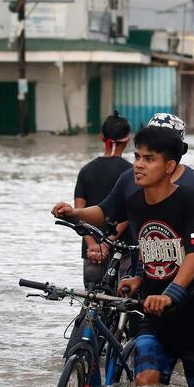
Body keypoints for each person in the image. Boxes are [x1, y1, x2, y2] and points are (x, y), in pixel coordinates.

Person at [53, 127, 194, 387]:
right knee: (146, 384)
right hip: (153, 316)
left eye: (149, 159)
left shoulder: (191, 199)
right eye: (137, 157)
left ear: (169, 166)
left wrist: (171, 294)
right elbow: (113, 219)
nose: (139, 165)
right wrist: (74, 213)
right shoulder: (135, 203)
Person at [97, 113, 194, 256]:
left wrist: (189, 253)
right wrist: (74, 214)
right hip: (142, 270)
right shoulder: (131, 178)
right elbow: (110, 212)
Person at [74, 111, 133, 288]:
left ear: (101, 137)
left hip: (92, 251)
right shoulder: (132, 173)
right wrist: (107, 245)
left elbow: (79, 213)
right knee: (123, 306)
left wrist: (94, 245)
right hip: (124, 251)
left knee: (92, 303)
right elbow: (130, 213)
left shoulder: (86, 171)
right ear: (128, 140)